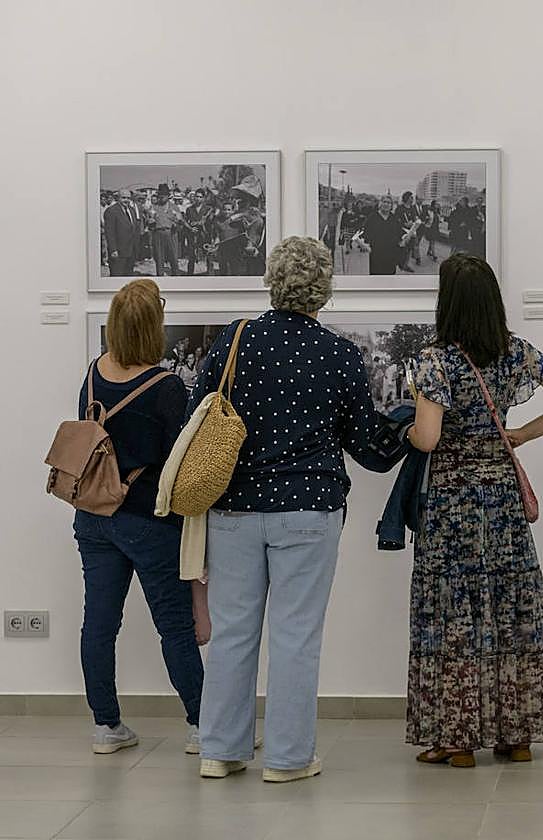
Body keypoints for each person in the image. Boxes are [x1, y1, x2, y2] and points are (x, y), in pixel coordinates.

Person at [192, 237, 388, 783]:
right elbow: (368, 448)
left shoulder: (236, 341)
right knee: (296, 634)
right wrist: (405, 425)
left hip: (232, 507)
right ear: (323, 291)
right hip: (309, 509)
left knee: (232, 631)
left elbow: (198, 414)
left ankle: (221, 750)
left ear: (270, 282)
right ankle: (286, 758)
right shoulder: (341, 355)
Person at [406, 253, 543, 767]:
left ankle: (458, 739)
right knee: (510, 610)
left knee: (454, 615)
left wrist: (404, 429)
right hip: (503, 505)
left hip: (451, 507)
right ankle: (518, 734)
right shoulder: (515, 354)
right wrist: (522, 434)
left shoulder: (433, 361)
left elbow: (428, 436)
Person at [73, 279, 205, 755]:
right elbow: (180, 458)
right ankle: (200, 724)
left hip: (93, 517)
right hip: (149, 522)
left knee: (99, 622)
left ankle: (106, 726)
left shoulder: (93, 374)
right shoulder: (166, 386)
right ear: (154, 326)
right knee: (174, 624)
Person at [359, 196, 404, 275]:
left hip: (391, 254)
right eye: (384, 202)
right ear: (380, 204)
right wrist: (363, 245)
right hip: (376, 254)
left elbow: (401, 233)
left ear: (391, 206)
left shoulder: (394, 218)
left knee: (390, 278)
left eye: (389, 202)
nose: (386, 204)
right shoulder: (372, 217)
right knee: (376, 278)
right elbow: (361, 233)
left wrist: (405, 237)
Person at [103, 190, 143, 276]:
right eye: (124, 198)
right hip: (118, 252)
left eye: (128, 198)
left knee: (128, 276)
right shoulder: (111, 211)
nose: (126, 200)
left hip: (131, 251)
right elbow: (110, 233)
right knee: (117, 276)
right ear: (118, 198)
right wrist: (113, 249)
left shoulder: (131, 210)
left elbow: (134, 229)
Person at [149, 184, 182, 276]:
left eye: (164, 195)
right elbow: (150, 225)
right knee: (159, 259)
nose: (162, 197)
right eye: (160, 195)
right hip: (158, 234)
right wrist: (151, 221)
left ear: (168, 196)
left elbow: (180, 223)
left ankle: (175, 278)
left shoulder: (174, 207)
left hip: (171, 234)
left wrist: (177, 223)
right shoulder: (154, 207)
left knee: (174, 259)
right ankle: (160, 279)